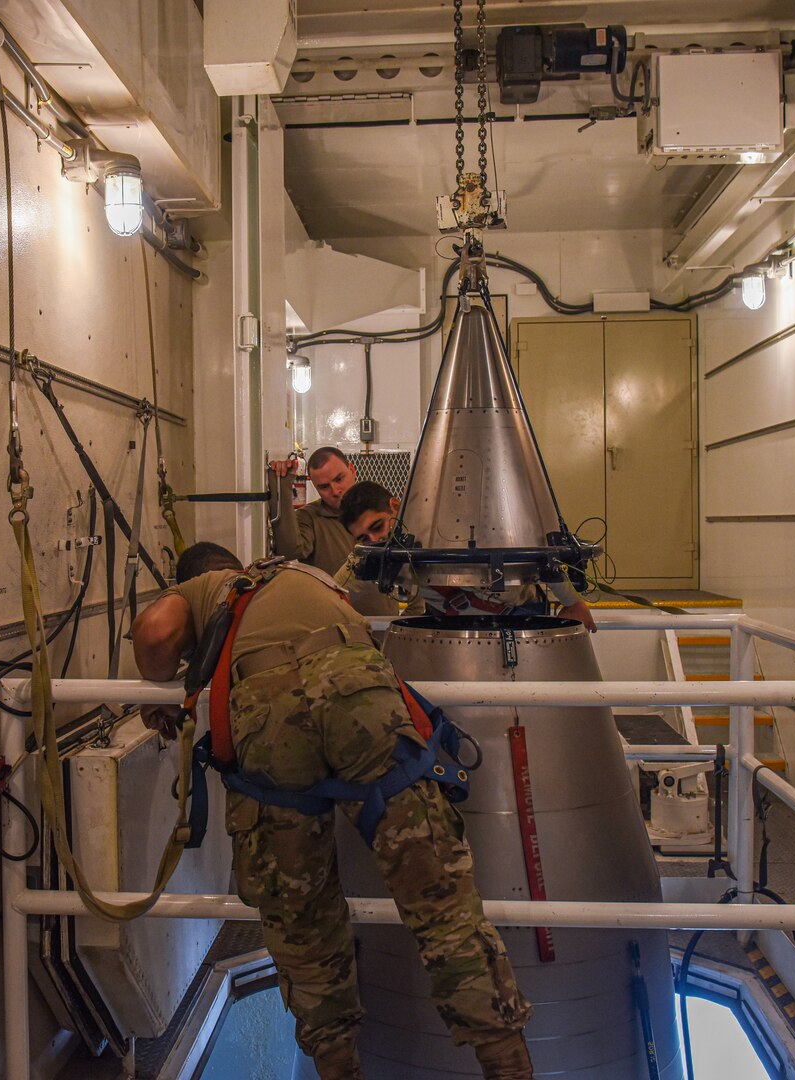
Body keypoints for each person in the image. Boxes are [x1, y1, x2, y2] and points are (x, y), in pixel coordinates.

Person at [130, 542, 535, 1080]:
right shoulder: (306, 576)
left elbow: (156, 632)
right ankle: (507, 1064)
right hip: (360, 693)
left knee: (303, 923)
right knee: (442, 906)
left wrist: (162, 684)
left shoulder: (209, 587)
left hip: (268, 722)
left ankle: (338, 1068)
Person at [335, 482, 599, 631]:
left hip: (520, 621)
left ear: (395, 506)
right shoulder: (382, 553)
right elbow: (336, 590)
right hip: (451, 631)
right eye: (363, 538)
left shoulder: (456, 522)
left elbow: (541, 556)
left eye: (377, 526)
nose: (375, 540)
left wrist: (572, 602)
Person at [270, 446, 359, 574]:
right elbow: (289, 551)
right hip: (332, 594)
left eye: (339, 479)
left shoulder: (377, 505)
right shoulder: (309, 517)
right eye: (324, 487)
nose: (335, 491)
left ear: (352, 470)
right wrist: (281, 484)